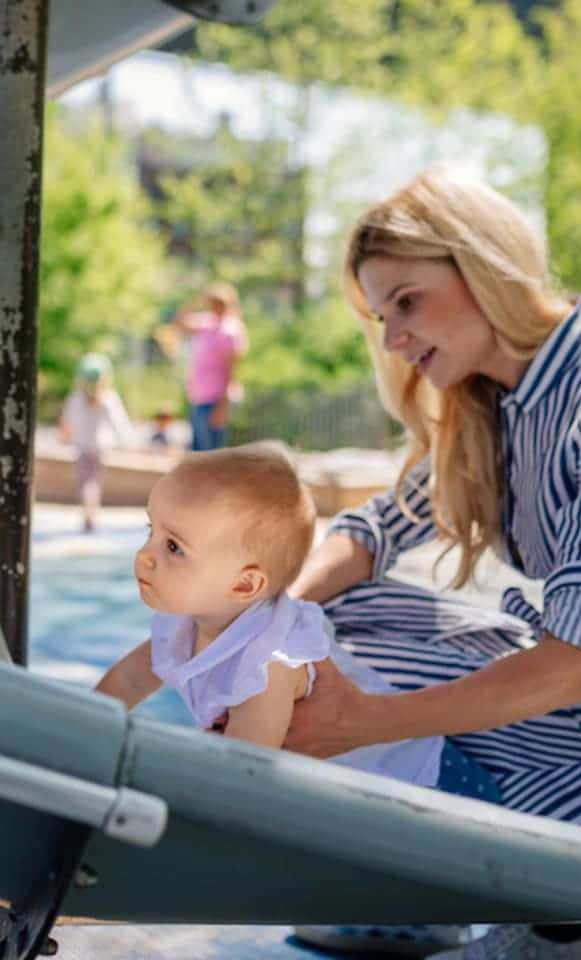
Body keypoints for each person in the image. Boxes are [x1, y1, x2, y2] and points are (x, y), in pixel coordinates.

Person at [286, 171, 581, 960]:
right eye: (381, 315)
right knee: (331, 617)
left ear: (482, 266)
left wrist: (364, 724)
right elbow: (374, 529)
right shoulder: (493, 404)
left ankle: (548, 930)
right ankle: (444, 899)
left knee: (361, 673)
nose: (394, 338)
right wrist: (270, 610)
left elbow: (574, 667)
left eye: (407, 300)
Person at [94, 444, 501, 802]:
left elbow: (238, 775)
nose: (144, 555)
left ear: (245, 583)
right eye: (151, 530)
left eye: (172, 547)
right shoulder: (184, 622)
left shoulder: (269, 664)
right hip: (365, 789)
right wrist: (83, 731)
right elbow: (130, 680)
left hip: (426, 786)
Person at [58, 353, 131, 533]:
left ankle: (88, 513)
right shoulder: (109, 398)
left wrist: (64, 438)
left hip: (82, 446)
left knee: (85, 482)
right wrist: (127, 443)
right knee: (94, 482)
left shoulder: (76, 398)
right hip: (100, 447)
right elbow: (120, 425)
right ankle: (91, 513)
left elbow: (67, 423)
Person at [171, 283, 248, 451]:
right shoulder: (207, 322)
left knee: (210, 454)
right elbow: (180, 324)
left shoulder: (231, 329)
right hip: (199, 397)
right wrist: (192, 301)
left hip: (216, 399)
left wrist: (224, 404)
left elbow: (233, 370)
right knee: (198, 454)